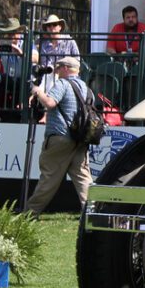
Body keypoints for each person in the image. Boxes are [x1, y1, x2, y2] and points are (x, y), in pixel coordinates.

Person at [24, 56, 93, 217]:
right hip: (81, 138)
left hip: (60, 137)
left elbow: (50, 103)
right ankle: (92, 212)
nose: (56, 71)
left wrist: (38, 92)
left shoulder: (63, 83)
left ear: (66, 68)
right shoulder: (86, 88)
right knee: (83, 178)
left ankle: (30, 213)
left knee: (49, 177)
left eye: (58, 67)